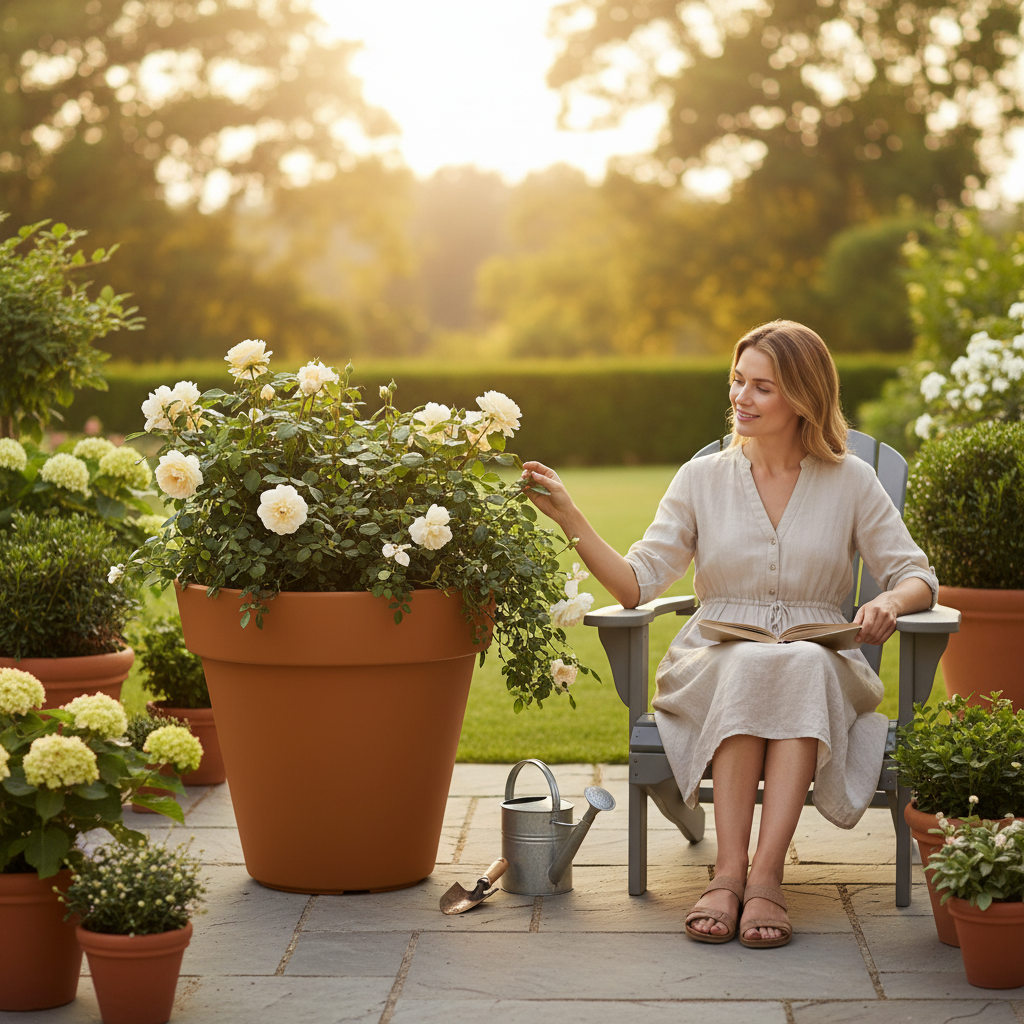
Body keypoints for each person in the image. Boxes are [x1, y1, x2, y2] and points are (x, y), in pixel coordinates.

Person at [521, 320, 936, 949]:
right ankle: (732, 873)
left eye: (762, 387)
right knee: (750, 665)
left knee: (791, 664)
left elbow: (917, 576)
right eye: (737, 381)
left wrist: (889, 598)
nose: (741, 396)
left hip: (819, 656)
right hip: (714, 657)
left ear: (803, 397)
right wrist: (571, 517)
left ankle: (762, 877)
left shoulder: (851, 480)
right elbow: (639, 584)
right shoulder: (702, 479)